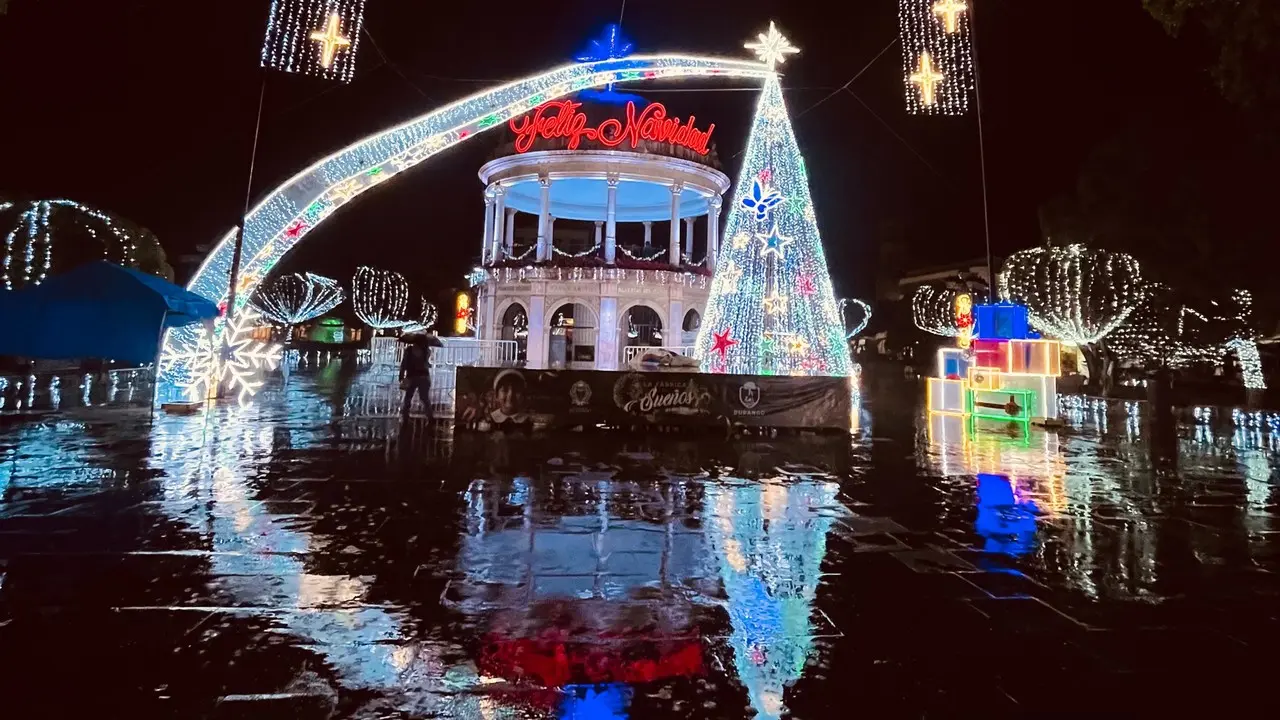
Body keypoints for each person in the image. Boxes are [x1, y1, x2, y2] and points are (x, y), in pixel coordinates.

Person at [400, 332, 442, 420]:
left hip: (411, 376)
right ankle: (430, 416)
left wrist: (401, 375)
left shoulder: (409, 350)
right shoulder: (426, 351)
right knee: (424, 398)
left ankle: (405, 415)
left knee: (408, 397)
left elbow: (404, 364)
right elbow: (426, 363)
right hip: (424, 376)